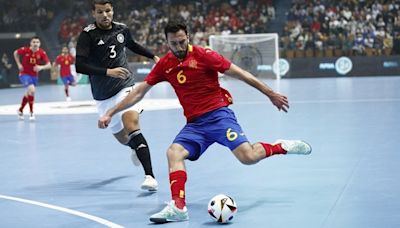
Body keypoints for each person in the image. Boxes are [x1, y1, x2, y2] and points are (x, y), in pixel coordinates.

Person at [98, 20, 312, 223]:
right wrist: (111, 111)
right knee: (174, 152)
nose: (179, 46)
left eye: (182, 41)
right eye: (174, 43)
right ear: (167, 42)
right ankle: (179, 208)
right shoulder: (165, 64)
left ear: (188, 36)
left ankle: (281, 146)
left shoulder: (204, 55)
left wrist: (270, 93)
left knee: (248, 157)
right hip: (195, 125)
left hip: (219, 116)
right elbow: (139, 92)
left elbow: (242, 74)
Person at [75, 0, 160, 191]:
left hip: (125, 87)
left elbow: (133, 45)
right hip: (102, 96)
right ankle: (134, 148)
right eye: (100, 12)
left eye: (108, 11)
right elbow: (79, 66)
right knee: (123, 138)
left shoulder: (122, 29)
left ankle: (150, 176)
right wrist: (108, 71)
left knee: (131, 123)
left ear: (112, 11)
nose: (105, 15)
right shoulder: (87, 35)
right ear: (93, 14)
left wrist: (153, 56)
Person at [14, 36, 51, 121]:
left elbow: (49, 65)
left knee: (29, 93)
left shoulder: (41, 53)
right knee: (32, 90)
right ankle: (31, 113)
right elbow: (15, 53)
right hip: (24, 74)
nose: (35, 44)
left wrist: (41, 67)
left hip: (34, 76)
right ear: (31, 43)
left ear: (39, 44)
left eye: (37, 42)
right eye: (33, 42)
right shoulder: (25, 50)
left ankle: (20, 110)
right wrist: (19, 64)